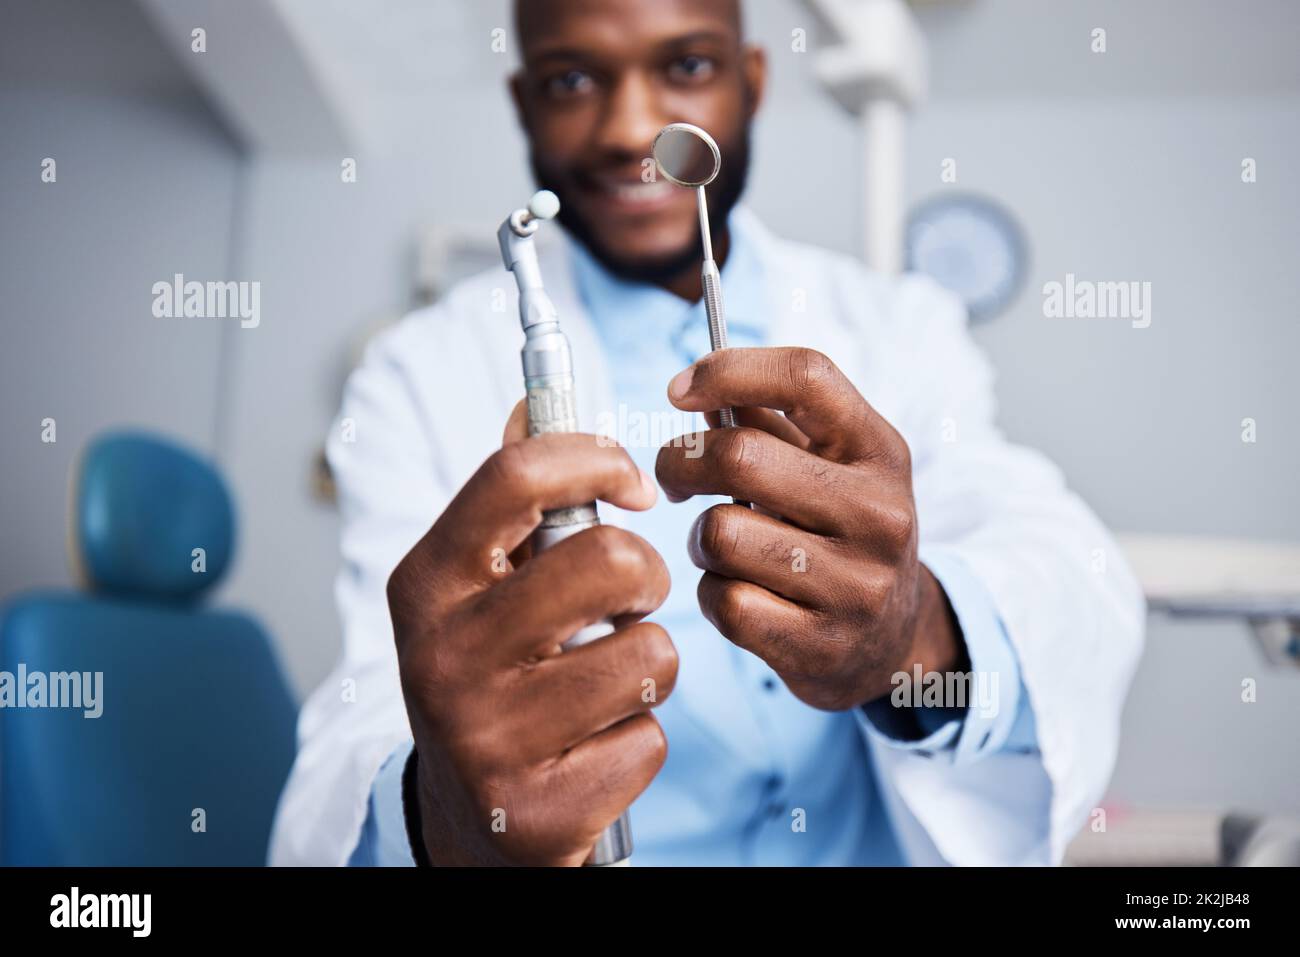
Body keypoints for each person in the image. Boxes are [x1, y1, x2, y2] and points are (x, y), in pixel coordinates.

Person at [270, 0, 1144, 866]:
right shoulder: (419, 374)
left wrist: (913, 633)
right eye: (572, 78)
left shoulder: (898, 327)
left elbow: (1067, 569)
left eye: (685, 66)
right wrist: (444, 811)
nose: (632, 127)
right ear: (524, 102)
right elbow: (363, 719)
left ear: (752, 81)